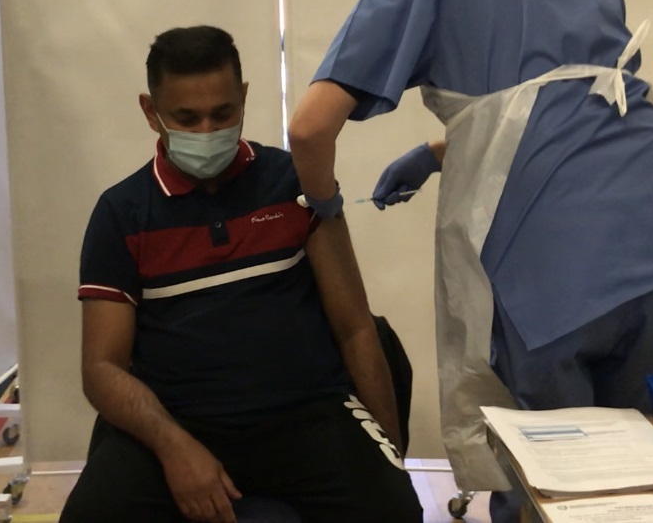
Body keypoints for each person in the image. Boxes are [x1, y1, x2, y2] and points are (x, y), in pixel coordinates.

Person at [287, 0, 653, 521]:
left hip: (551, 269)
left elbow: (309, 126)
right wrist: (431, 156)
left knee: (550, 482)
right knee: (643, 483)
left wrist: (323, 205)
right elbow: (557, 101)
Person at [59, 26, 422, 523]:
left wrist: (390, 459)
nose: (208, 131)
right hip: (179, 419)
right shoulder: (121, 214)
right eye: (187, 118)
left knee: (393, 514)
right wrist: (174, 447)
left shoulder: (294, 183)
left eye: (223, 113)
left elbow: (355, 326)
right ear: (151, 111)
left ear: (244, 98)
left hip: (304, 413)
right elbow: (101, 368)